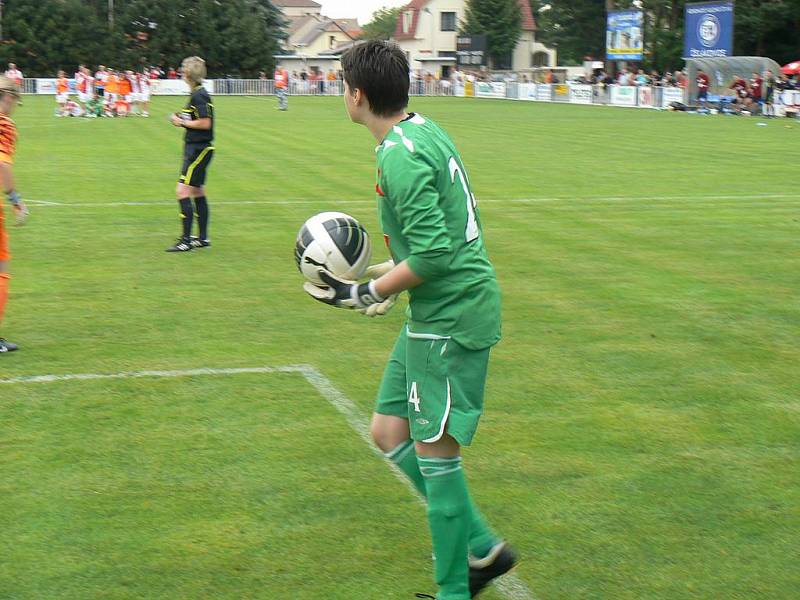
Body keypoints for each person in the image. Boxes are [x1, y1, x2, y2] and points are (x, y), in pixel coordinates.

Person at [304, 41, 516, 600]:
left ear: (357, 95)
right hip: (434, 310)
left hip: (451, 315)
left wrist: (364, 290)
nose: (339, 92)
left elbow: (435, 256)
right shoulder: (420, 128)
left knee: (435, 455)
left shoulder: (398, 154)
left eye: (341, 84)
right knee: (388, 431)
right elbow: (432, 239)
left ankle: (455, 588)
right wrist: (390, 270)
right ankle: (481, 546)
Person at [167, 56, 214, 252]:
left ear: (188, 73)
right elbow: (197, 116)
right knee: (197, 191)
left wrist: (181, 122)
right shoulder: (197, 93)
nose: (181, 72)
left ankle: (186, 241)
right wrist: (181, 116)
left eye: (183, 69)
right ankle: (202, 238)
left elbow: (205, 122)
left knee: (182, 191)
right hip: (198, 148)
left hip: (198, 149)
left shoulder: (199, 95)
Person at [0, 76, 29, 353]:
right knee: (1, 271)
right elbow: (2, 164)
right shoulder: (4, 124)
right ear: (8, 97)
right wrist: (16, 201)